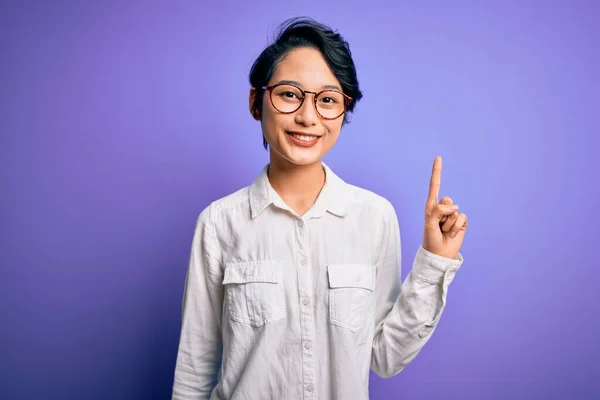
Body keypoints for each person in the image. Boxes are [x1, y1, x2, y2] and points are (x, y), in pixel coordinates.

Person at [172, 17, 468, 400]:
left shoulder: (374, 218)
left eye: (327, 99)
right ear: (255, 102)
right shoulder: (218, 224)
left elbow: (384, 356)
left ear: (344, 113)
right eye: (289, 94)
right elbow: (195, 369)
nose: (308, 117)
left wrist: (434, 262)